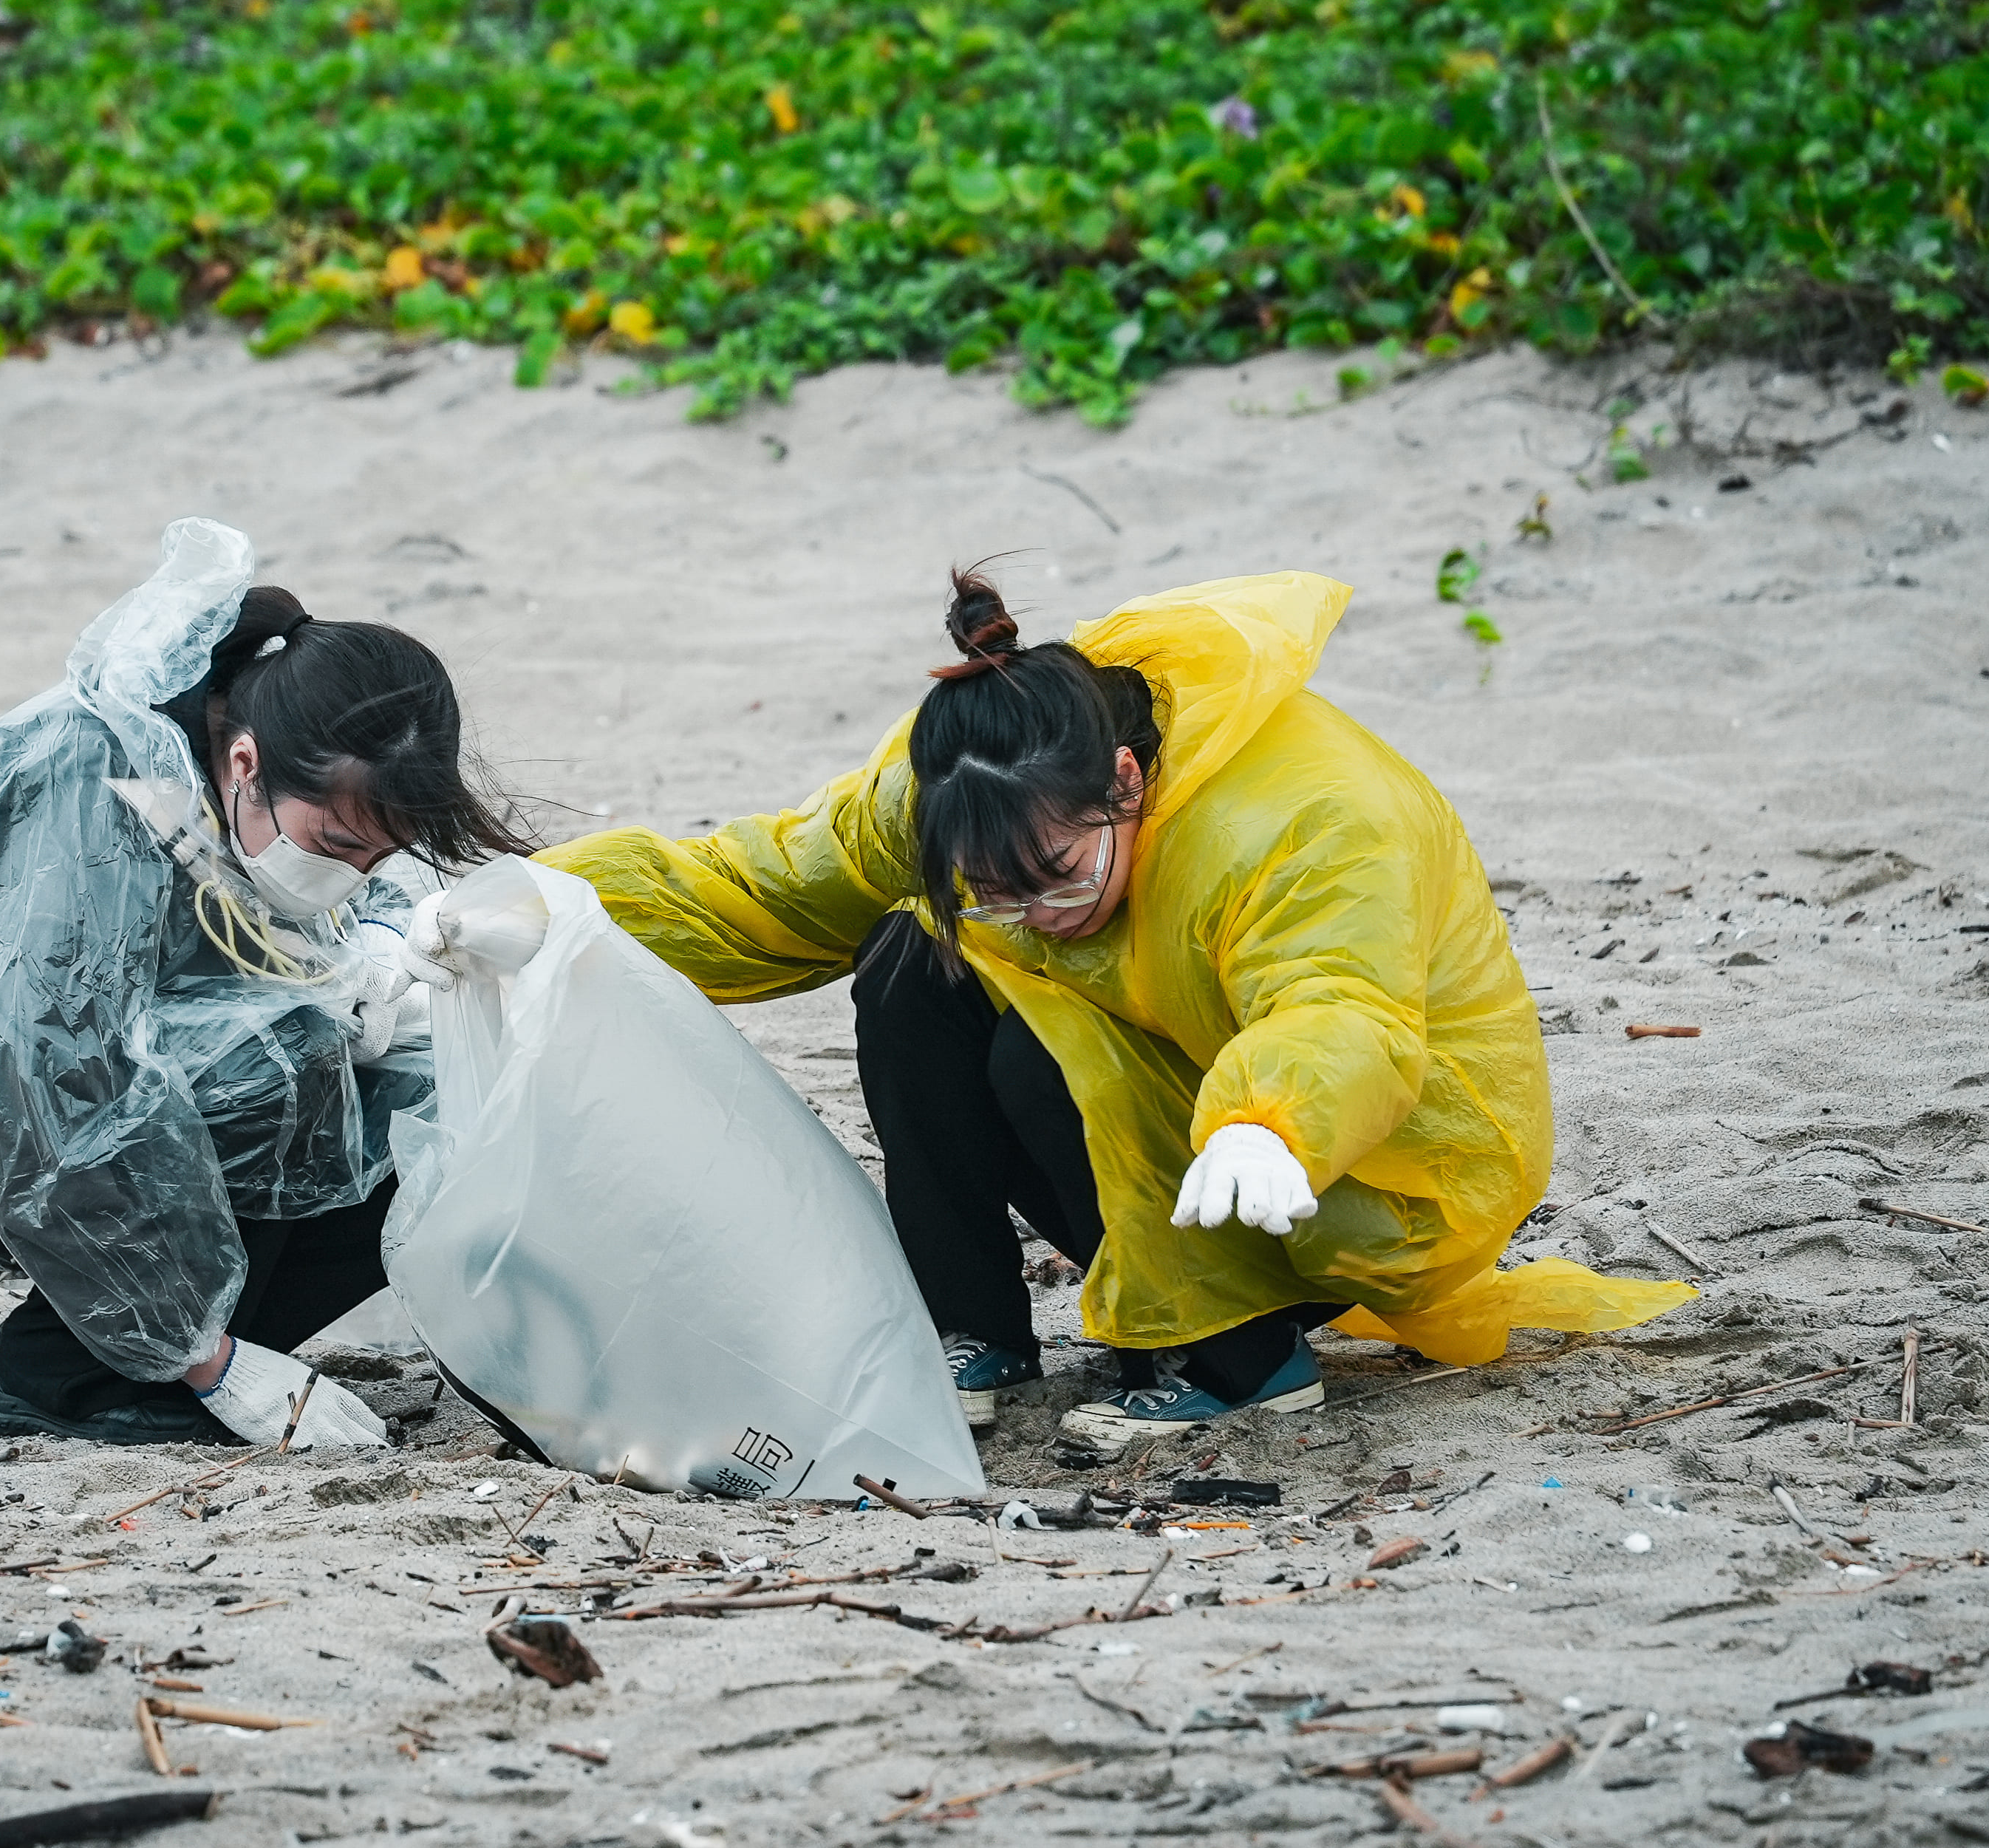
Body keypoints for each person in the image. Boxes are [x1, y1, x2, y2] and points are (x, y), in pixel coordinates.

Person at [526, 567, 1691, 1457]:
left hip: (1357, 1157)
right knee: (906, 959)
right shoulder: (963, 792)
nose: (1029, 912)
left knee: (1046, 1050)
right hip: (1180, 1105)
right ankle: (974, 1335)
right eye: (993, 888)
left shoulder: (1302, 819)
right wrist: (536, 902)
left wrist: (1271, 1117)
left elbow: (1345, 1009)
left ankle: (1244, 1357)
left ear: (1126, 783)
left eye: (1058, 875)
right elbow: (765, 885)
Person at [0, 519, 531, 1449]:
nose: (349, 868)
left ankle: (190, 1347)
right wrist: (208, 1360)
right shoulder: (91, 772)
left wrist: (382, 944)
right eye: (334, 848)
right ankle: (73, 1377)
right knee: (285, 1057)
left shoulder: (272, 743)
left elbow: (379, 879)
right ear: (244, 763)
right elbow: (58, 1062)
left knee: (437, 1087)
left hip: (166, 1054)